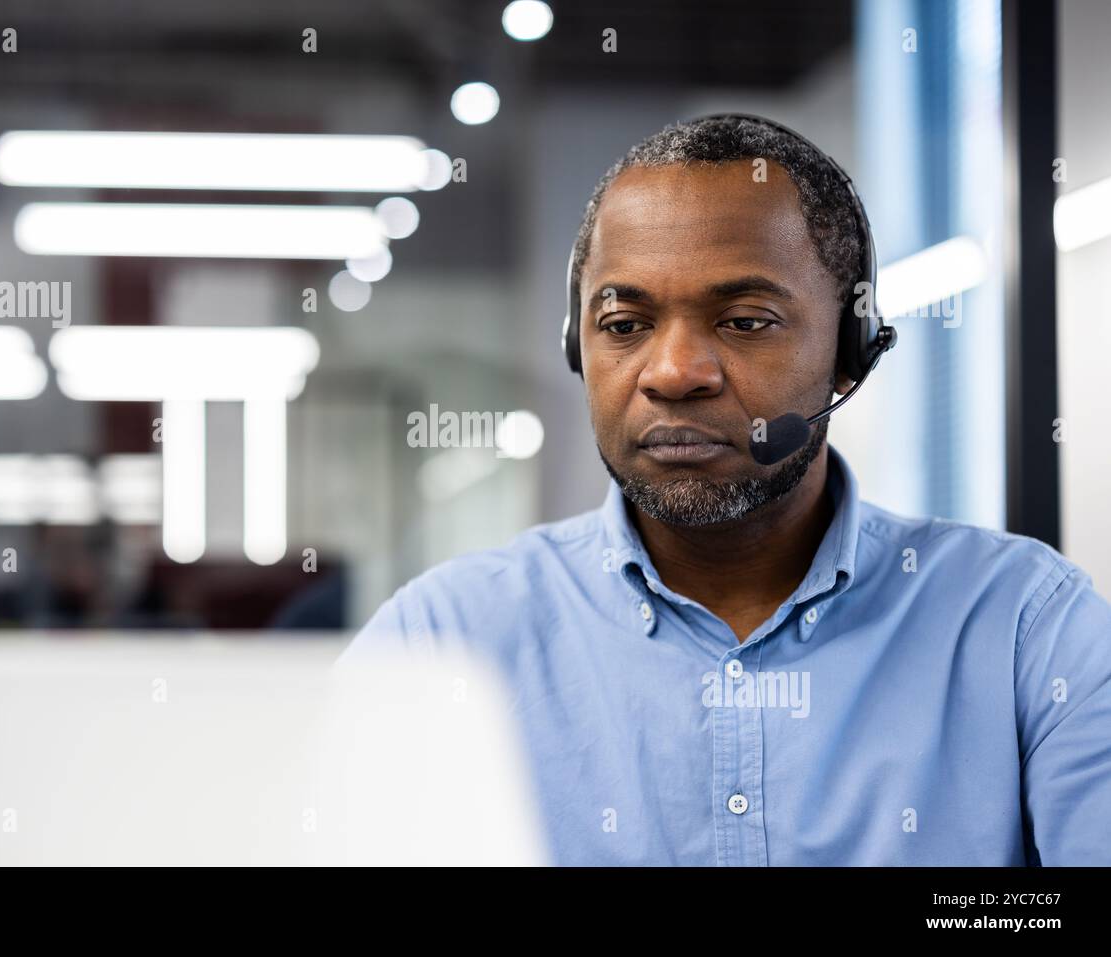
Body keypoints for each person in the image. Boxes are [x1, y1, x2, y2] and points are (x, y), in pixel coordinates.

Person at [337, 115, 1111, 866]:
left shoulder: (1024, 627)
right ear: (579, 347)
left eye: (744, 321)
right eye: (623, 323)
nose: (674, 372)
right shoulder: (441, 638)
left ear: (851, 352)